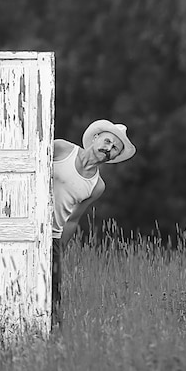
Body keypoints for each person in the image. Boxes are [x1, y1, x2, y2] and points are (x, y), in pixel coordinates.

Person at [51, 119, 136, 329]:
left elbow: (72, 220)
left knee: (51, 296)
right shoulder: (61, 149)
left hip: (51, 237)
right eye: (107, 141)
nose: (108, 149)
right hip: (26, 224)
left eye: (115, 148)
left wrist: (58, 250)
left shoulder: (97, 186)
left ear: (116, 156)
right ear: (96, 138)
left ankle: (51, 339)